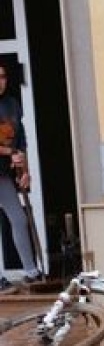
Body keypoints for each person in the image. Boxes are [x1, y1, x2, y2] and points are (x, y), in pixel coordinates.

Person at [0, 61, 43, 293]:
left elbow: (21, 141)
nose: (1, 81)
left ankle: (30, 271)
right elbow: (11, 149)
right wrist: (10, 153)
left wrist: (25, 171)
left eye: (3, 77)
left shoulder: (12, 105)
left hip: (4, 175)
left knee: (18, 218)